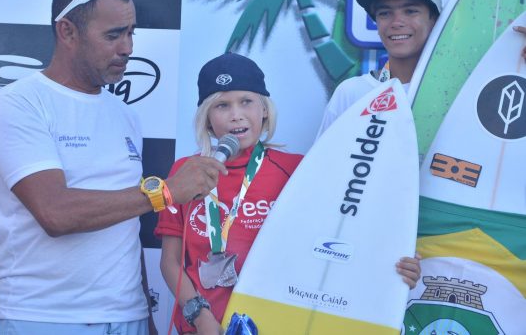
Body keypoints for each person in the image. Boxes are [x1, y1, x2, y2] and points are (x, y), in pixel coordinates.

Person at [0, 0, 226, 335]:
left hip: (129, 318)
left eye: (130, 33)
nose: (127, 47)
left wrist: (144, 312)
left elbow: (124, 227)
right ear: (67, 31)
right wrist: (167, 191)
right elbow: (56, 213)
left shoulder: (124, 115)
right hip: (45, 318)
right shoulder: (19, 103)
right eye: (113, 35)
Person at [154, 52, 422, 334]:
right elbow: (170, 262)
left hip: (274, 323)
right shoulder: (186, 171)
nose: (236, 115)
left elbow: (341, 235)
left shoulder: (297, 169)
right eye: (222, 105)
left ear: (265, 109)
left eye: (246, 101)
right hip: (201, 328)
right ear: (207, 118)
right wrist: (199, 315)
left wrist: (393, 265)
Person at [318, 0, 526, 135]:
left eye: (410, 11)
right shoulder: (352, 93)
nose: (397, 22)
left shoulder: (468, 94)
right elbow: (321, 172)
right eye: (384, 13)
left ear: (435, 20)